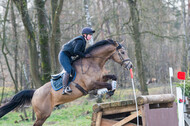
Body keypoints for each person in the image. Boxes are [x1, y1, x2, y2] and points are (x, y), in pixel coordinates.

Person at [59, 27, 95, 95]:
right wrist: (84, 56)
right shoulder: (80, 41)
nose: (91, 36)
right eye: (90, 35)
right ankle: (65, 88)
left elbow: (80, 53)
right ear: (85, 35)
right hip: (63, 55)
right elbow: (76, 51)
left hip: (68, 56)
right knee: (69, 70)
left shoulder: (83, 41)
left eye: (91, 35)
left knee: (73, 69)